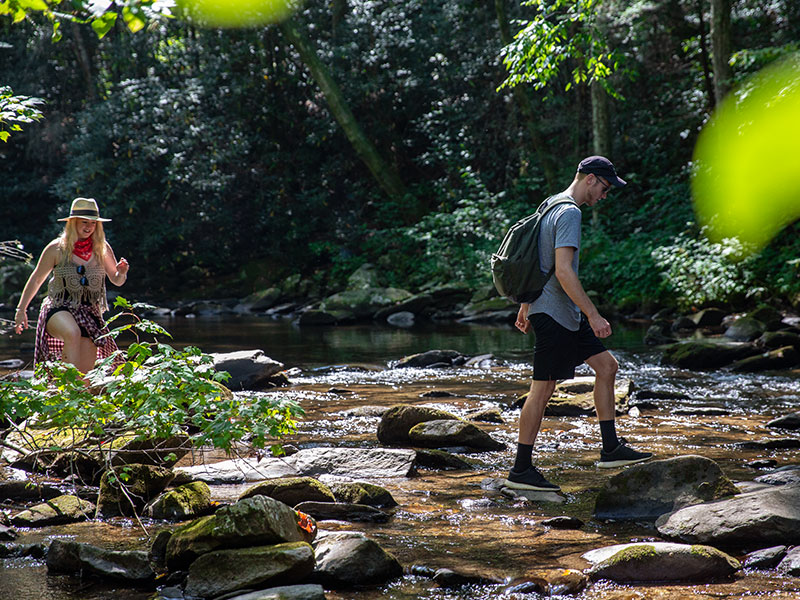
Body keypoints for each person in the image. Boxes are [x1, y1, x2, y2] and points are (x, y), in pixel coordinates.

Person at [504, 156, 653, 492]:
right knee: (541, 391)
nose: (605, 195)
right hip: (557, 313)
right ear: (589, 179)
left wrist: (526, 306)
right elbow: (563, 270)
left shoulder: (549, 204)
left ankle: (611, 448)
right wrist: (594, 314)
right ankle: (520, 470)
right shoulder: (570, 212)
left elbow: (536, 261)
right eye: (604, 187)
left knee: (607, 366)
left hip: (556, 310)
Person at [14, 197, 129, 374]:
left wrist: (121, 272)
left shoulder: (102, 248)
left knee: (84, 379)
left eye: (93, 223)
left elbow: (116, 280)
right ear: (72, 222)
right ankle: (63, 385)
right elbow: (37, 279)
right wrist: (21, 310)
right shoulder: (56, 248)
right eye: (84, 222)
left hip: (89, 312)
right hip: (59, 307)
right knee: (72, 333)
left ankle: (71, 394)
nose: (89, 227)